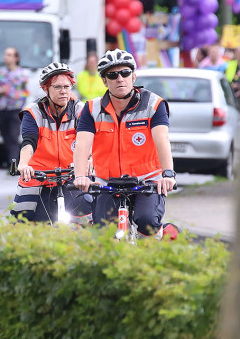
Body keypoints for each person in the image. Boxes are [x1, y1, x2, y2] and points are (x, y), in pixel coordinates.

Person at [73, 49, 179, 240]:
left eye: (125, 73)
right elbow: (82, 143)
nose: (120, 78)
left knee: (146, 221)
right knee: (103, 232)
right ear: (104, 81)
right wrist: (81, 175)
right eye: (112, 75)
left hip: (147, 179)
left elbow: (162, 139)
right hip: (108, 180)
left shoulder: (153, 105)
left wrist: (168, 173)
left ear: (133, 76)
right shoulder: (91, 109)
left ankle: (161, 242)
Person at [12, 63, 92, 223]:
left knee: (88, 213)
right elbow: (29, 141)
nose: (63, 91)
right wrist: (23, 164)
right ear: (45, 89)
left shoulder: (80, 110)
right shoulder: (33, 112)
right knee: (22, 220)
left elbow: (91, 140)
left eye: (67, 86)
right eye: (57, 87)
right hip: (38, 176)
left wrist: (91, 159)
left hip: (72, 174)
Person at [0, 47, 30, 169]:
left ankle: (13, 165)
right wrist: (1, 91)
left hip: (16, 109)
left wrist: (17, 96)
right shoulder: (0, 73)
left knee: (14, 137)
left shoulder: (22, 74)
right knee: (5, 137)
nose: (6, 57)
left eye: (9, 55)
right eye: (5, 54)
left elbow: (26, 92)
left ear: (16, 58)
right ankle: (10, 161)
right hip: (2, 109)